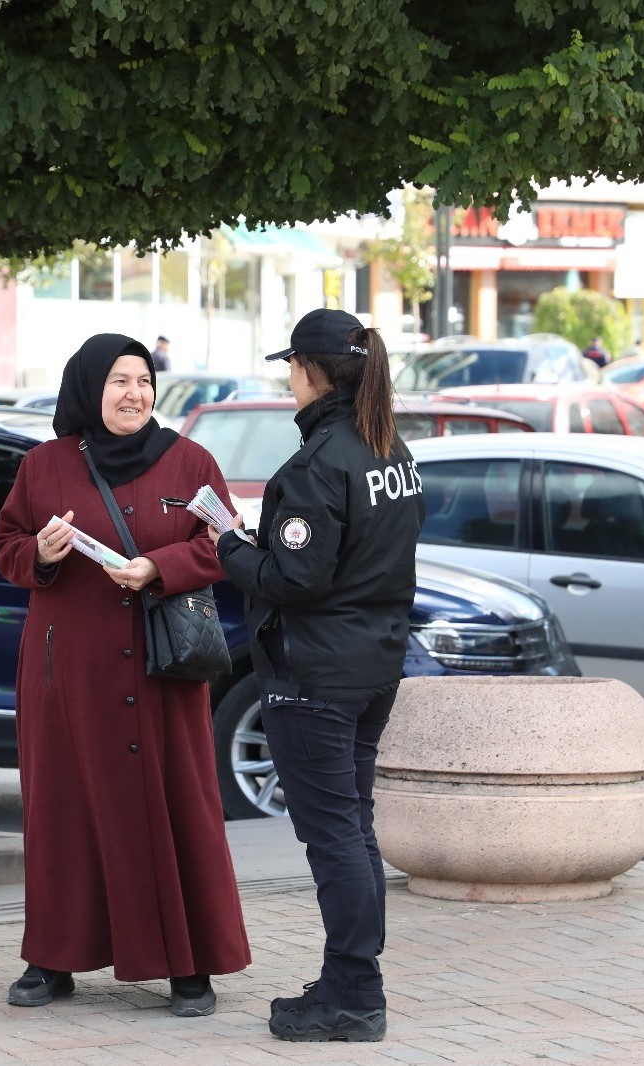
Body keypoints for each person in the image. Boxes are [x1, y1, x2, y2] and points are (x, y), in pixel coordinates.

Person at [0, 332, 250, 1018]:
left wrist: (158, 569)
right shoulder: (45, 465)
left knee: (175, 807)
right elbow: (5, 545)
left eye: (142, 380)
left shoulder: (189, 461)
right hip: (66, 674)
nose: (134, 393)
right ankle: (51, 960)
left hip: (162, 669)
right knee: (64, 814)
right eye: (117, 381)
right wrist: (39, 552)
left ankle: (187, 966)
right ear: (86, 389)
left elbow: (222, 544)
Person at [209, 308, 423, 1044]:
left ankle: (353, 993)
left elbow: (293, 580)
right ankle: (350, 981)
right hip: (372, 664)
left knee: (334, 835)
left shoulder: (318, 462)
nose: (287, 380)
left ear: (310, 371)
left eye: (290, 367)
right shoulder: (387, 447)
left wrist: (227, 547)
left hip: (315, 673)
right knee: (352, 827)